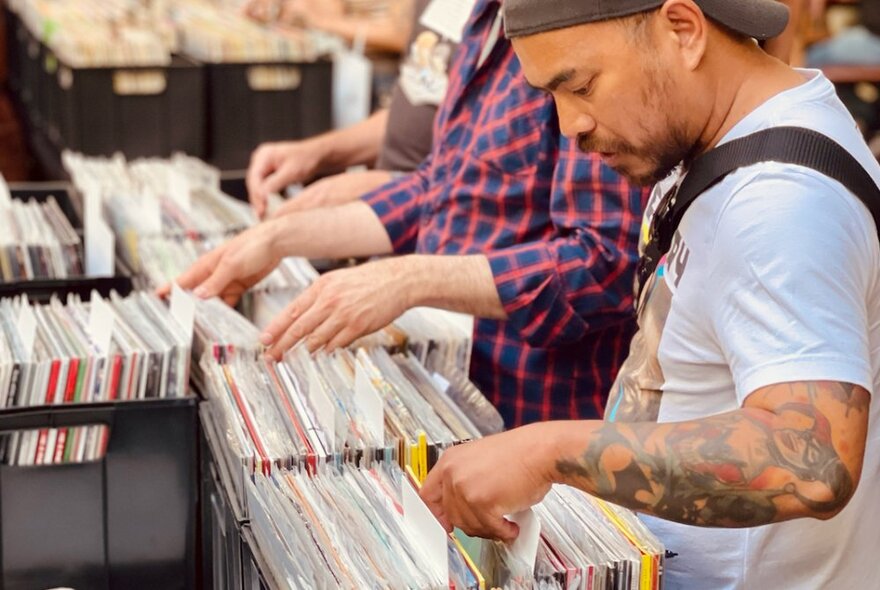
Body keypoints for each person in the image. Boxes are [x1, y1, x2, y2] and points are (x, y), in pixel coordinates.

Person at [420, 1, 879, 587]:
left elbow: (811, 457)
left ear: (683, 31)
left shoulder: (778, 200)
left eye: (582, 85)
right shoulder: (718, 141)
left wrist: (548, 451)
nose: (570, 126)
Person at [167, 0, 647, 427]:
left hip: (530, 411)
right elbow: (440, 183)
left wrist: (410, 280)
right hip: (446, 379)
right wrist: (281, 237)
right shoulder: (481, 18)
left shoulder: (573, 34)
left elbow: (608, 262)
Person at [245, 0, 461, 219]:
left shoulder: (489, 17)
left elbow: (480, 172)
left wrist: (387, 187)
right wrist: (314, 152)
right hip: (393, 209)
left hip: (434, 221)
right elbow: (417, 114)